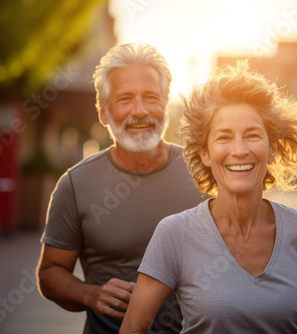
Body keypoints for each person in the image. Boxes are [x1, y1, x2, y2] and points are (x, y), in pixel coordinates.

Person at [120, 62, 297, 334]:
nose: (239, 150)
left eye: (252, 135)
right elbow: (133, 329)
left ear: (272, 148)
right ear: (205, 153)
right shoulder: (175, 234)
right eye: (224, 137)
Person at [37, 43, 204, 334]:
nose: (139, 111)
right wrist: (90, 294)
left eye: (150, 97)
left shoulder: (204, 174)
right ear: (103, 114)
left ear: (165, 104)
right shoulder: (76, 184)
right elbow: (50, 273)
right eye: (125, 99)